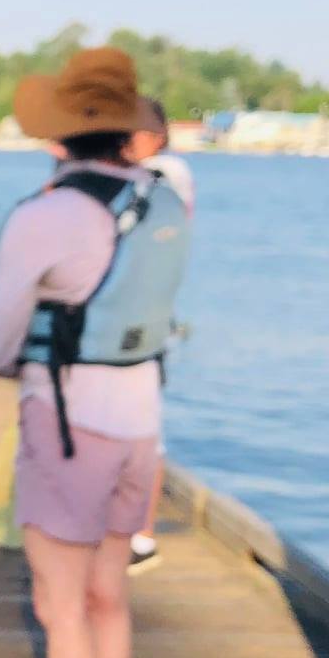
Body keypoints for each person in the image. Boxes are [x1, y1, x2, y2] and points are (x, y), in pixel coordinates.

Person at [0, 48, 190, 658]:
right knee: (107, 596)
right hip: (141, 426)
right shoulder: (167, 198)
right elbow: (106, 294)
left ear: (58, 132)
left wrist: (3, 317)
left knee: (61, 607)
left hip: (67, 430)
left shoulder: (44, 214)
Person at [124, 96, 196, 573]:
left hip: (143, 328)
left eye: (127, 136)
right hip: (133, 321)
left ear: (153, 138)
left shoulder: (167, 174)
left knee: (144, 437)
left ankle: (142, 537)